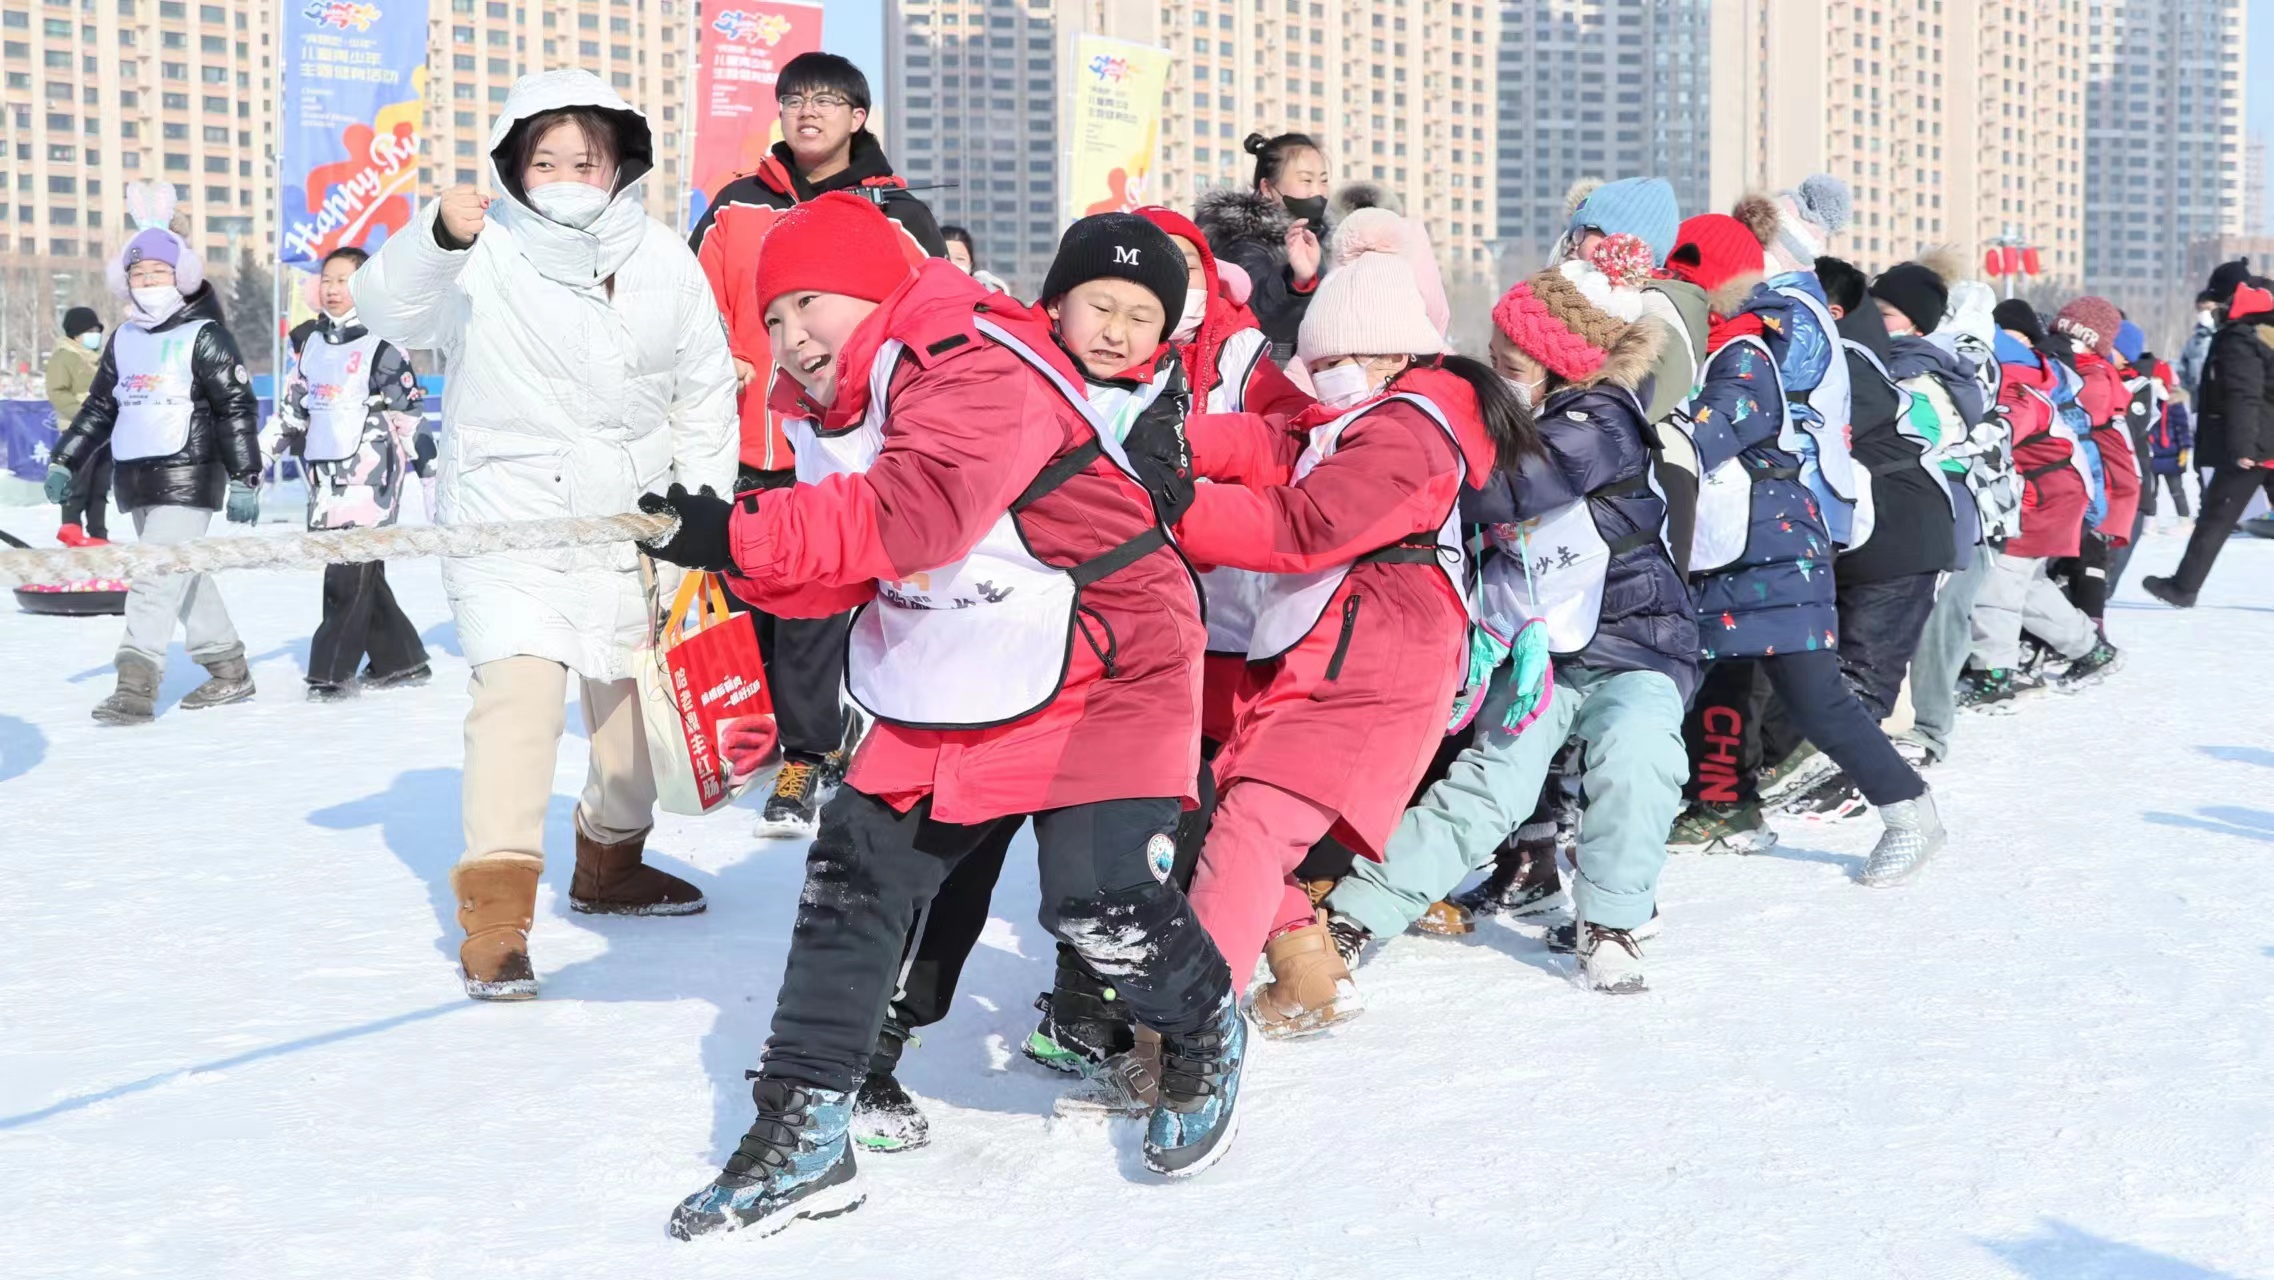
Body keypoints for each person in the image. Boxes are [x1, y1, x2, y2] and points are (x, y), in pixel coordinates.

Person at [641, 194, 1242, 1235]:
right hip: (955, 655)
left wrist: (741, 533)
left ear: (872, 291)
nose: (790, 337)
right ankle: (803, 1132)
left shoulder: (969, 359)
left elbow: (914, 513)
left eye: (808, 305)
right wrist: (732, 543)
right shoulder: (831, 398)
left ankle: (1203, 1026)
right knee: (852, 877)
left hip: (1112, 651)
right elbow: (838, 572)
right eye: (772, 319)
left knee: (1096, 894)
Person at [353, 69, 738, 1000]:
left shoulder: (661, 259)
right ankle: (498, 919)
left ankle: (611, 862)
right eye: (547, 159)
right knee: (517, 711)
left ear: (620, 169)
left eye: (587, 159)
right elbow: (388, 311)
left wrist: (703, 503)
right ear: (515, 169)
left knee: (634, 733)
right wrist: (438, 238)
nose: (567, 174)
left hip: (634, 527)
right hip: (510, 523)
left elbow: (704, 389)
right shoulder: (480, 251)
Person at [1170, 208, 1533, 1035]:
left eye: (1340, 360)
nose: (1324, 376)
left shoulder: (1409, 431)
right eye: (1318, 360)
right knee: (1237, 814)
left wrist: (1177, 505)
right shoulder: (1365, 413)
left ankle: (1191, 1035)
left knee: (1251, 825)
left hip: (1376, 662)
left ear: (1395, 353)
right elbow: (1276, 440)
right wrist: (1177, 446)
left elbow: (1307, 522)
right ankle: (1307, 977)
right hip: (1341, 651)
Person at [1323, 243, 1697, 995]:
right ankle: (1361, 913)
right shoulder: (1532, 414)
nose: (1498, 374)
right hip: (1538, 650)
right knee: (1492, 781)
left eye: (1514, 363)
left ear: (1565, 368)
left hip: (1641, 645)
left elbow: (1503, 491)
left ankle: (1613, 919)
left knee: (1637, 756)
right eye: (1491, 355)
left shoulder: (1599, 420)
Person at [686, 51, 946, 837]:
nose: (808, 112)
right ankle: (751, 736)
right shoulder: (735, 207)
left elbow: (933, 314)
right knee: (737, 592)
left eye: (828, 100)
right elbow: (686, 305)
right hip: (739, 432)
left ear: (858, 118)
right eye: (794, 98)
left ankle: (808, 749)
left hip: (840, 439)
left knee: (812, 599)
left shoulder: (892, 211)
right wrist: (710, 365)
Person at [1655, 212, 1943, 884]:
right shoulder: (1716, 346)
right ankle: (1725, 807)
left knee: (1817, 698)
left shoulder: (1745, 353)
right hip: (1736, 550)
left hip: (1773, 551)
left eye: (1679, 278)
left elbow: (1707, 435)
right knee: (1711, 677)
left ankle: (1912, 815)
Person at [46, 210, 262, 726]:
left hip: (190, 472)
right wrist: (65, 461)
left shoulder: (205, 334)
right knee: (181, 575)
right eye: (140, 276)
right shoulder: (124, 338)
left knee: (152, 576)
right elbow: (101, 408)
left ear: (181, 277)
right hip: (138, 475)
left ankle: (135, 685)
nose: (149, 283)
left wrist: (245, 476)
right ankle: (229, 668)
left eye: (160, 274)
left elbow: (236, 406)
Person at [275, 245, 431, 702]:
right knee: (363, 574)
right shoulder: (312, 347)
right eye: (327, 279)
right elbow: (292, 412)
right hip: (325, 478)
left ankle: (329, 672)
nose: (332, 289)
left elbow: (411, 418)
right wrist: (251, 464)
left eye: (344, 280)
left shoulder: (382, 347)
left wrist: (432, 477)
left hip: (370, 477)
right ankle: (401, 659)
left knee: (346, 574)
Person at [1962, 311, 2104, 704]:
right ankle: (2090, 650)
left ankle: (1994, 678)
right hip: (2050, 494)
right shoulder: (2020, 380)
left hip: (2042, 498)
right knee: (2027, 586)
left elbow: (1995, 440)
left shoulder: (2013, 389)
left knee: (1998, 584)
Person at [2146, 277, 2274, 609]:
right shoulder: (2265, 331)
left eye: (2212, 307)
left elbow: (2244, 395)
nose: (2209, 314)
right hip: (2266, 441)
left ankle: (2183, 588)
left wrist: (2243, 446)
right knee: (2216, 518)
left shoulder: (2240, 338)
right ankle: (2183, 586)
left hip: (2258, 446)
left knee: (2216, 518)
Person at [1193, 130, 1330, 360]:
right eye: (1306, 180)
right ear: (1267, 188)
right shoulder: (1241, 239)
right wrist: (1297, 281)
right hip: (1265, 369)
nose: (1317, 191)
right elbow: (1254, 310)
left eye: (1323, 180)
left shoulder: (1321, 240)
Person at [48, 305, 110, 546]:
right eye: (90, 330)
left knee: (100, 485)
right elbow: (58, 392)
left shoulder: (100, 359)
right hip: (78, 432)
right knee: (78, 483)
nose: (95, 334)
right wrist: (84, 417)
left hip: (103, 433)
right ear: (76, 333)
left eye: (97, 330)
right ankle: (71, 529)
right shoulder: (63, 356)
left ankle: (98, 534)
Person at [2147, 381, 2194, 526]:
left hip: (2172, 455)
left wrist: (2184, 448)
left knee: (2177, 490)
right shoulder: (2146, 402)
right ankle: (2149, 521)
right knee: (2150, 492)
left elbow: (2183, 427)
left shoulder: (2174, 404)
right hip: (2151, 454)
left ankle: (2185, 519)